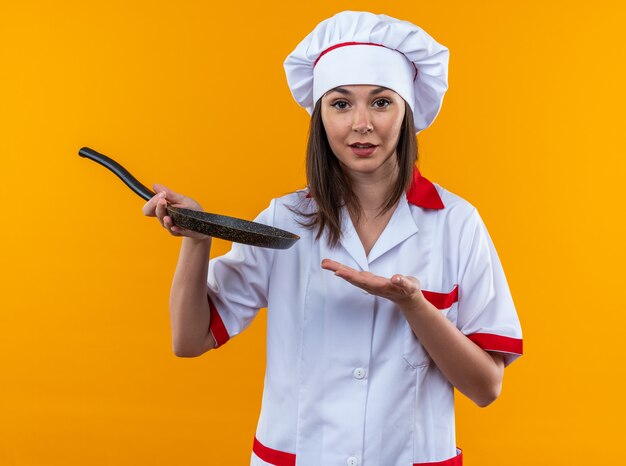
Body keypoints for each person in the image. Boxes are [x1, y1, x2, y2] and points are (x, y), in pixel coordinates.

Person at [143, 11, 523, 466]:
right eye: (341, 104)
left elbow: (486, 387)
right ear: (319, 117)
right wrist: (197, 238)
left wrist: (413, 305)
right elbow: (189, 339)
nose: (361, 123)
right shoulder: (285, 220)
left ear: (407, 113)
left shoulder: (457, 223)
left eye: (381, 102)